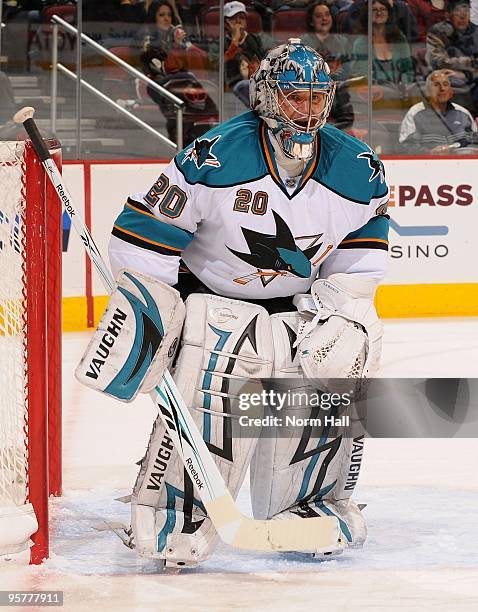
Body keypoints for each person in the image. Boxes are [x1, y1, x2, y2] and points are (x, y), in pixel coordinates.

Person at [77, 40, 389, 569]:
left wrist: (341, 310)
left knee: (333, 365)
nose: (308, 110)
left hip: (296, 300)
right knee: (216, 362)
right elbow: (142, 237)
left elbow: (361, 253)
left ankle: (307, 505)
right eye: (295, 97)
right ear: (267, 97)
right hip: (212, 294)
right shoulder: (215, 155)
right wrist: (156, 315)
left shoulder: (358, 168)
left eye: (317, 98)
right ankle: (179, 509)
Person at [399, 68, 478, 152]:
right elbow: (405, 146)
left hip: (462, 162)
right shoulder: (415, 113)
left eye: (445, 84)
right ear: (427, 92)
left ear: (451, 91)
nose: (442, 89)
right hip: (427, 163)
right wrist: (429, 152)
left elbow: (475, 142)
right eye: (436, 85)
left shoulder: (463, 113)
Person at [426, 0, 478, 113]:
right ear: (448, 14)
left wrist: (466, 74)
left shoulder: (476, 31)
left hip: (472, 77)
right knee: (454, 83)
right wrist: (469, 63)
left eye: (466, 10)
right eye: (457, 11)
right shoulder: (437, 32)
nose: (463, 15)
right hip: (446, 77)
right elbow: (438, 61)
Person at [224, 1, 266, 106]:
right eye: (233, 18)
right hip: (230, 92)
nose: (238, 21)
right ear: (225, 24)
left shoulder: (257, 40)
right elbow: (217, 68)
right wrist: (234, 42)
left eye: (241, 18)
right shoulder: (220, 43)